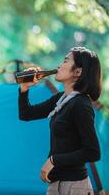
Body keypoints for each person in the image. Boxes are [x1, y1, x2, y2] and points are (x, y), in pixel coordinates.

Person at [18, 47, 101, 195]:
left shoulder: (81, 104)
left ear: (78, 72)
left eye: (65, 61)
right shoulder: (61, 98)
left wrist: (53, 160)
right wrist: (24, 88)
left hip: (75, 187)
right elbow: (26, 114)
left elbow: (93, 152)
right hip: (56, 184)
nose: (59, 66)